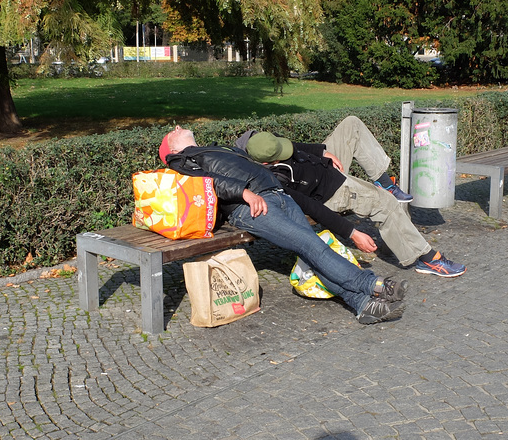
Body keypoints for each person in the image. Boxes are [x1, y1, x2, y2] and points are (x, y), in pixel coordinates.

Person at [159, 126, 409, 324]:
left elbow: (278, 148)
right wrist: (244, 193)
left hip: (277, 195)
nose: (178, 126)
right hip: (250, 206)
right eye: (173, 130)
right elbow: (208, 181)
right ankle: (370, 284)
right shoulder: (179, 160)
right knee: (308, 243)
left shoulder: (214, 149)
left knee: (309, 250)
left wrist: (319, 152)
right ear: (170, 148)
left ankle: (362, 305)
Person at [236, 117, 466, 277]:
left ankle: (384, 182)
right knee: (385, 204)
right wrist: (351, 232)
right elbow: (312, 207)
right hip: (334, 190)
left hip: (326, 165)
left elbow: (291, 147)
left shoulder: (256, 144)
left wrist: (321, 152)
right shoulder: (276, 180)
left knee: (351, 124)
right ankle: (427, 258)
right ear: (267, 163)